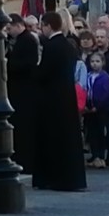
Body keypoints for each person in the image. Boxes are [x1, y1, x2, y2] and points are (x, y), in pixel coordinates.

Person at [33, 11, 87, 191]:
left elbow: (44, 72)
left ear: (48, 26)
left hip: (52, 100)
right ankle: (72, 179)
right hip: (66, 97)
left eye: (43, 26)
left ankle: (55, 179)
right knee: (69, 139)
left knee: (54, 140)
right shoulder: (67, 45)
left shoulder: (52, 46)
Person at [7, 14, 39, 174]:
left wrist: (8, 65)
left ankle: (26, 161)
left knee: (24, 127)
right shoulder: (20, 40)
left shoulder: (27, 40)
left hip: (24, 89)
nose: (8, 31)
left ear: (18, 25)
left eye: (9, 27)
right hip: (19, 89)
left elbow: (28, 63)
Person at [83, 52, 109, 169]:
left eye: (97, 61)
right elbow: (85, 90)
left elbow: (106, 93)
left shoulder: (104, 77)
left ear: (103, 63)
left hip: (101, 109)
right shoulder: (89, 75)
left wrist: (98, 106)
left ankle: (101, 155)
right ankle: (94, 155)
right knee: (91, 132)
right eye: (92, 62)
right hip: (89, 108)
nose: (94, 64)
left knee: (100, 132)